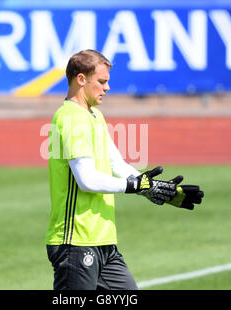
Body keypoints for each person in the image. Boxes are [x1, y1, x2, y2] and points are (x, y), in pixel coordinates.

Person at [45, 49, 203, 290]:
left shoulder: (94, 116)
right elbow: (86, 180)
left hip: (103, 241)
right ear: (80, 79)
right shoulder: (70, 118)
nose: (107, 88)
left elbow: (117, 164)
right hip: (76, 241)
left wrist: (154, 189)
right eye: (101, 81)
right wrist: (132, 186)